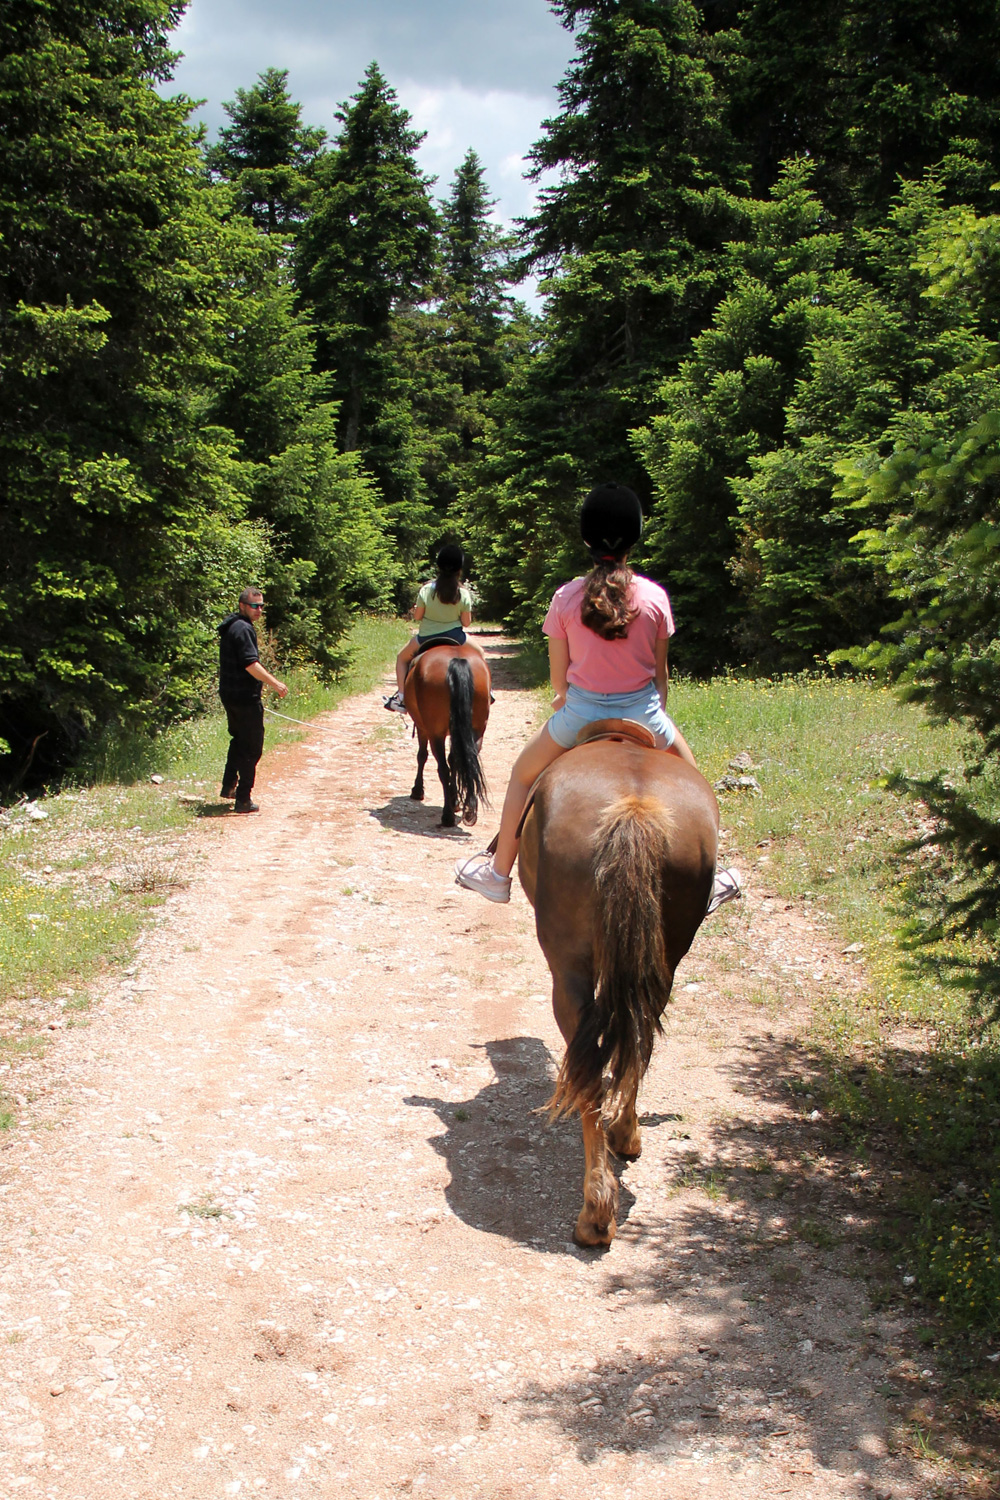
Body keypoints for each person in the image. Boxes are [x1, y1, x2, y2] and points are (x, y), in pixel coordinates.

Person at [454, 483, 743, 912]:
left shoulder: (566, 597)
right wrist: (652, 711)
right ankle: (713, 874)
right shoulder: (655, 598)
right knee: (694, 782)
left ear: (587, 539)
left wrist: (568, 701)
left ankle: (498, 874)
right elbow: (660, 678)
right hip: (645, 715)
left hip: (580, 714)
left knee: (521, 774)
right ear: (634, 539)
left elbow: (558, 680)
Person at [384, 543, 489, 712]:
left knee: (401, 657)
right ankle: (486, 692)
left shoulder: (426, 590)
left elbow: (417, 617)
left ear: (438, 566)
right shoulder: (463, 593)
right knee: (481, 654)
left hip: (426, 637)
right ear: (459, 568)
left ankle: (401, 698)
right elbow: (466, 623)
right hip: (456, 637)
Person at [217, 586, 288, 814]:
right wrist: (275, 683)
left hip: (229, 694)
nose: (259, 610)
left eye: (261, 606)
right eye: (254, 606)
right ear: (242, 606)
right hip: (244, 698)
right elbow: (251, 665)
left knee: (238, 739)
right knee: (252, 748)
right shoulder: (243, 629)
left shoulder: (231, 626)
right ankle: (243, 799)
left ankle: (229, 785)